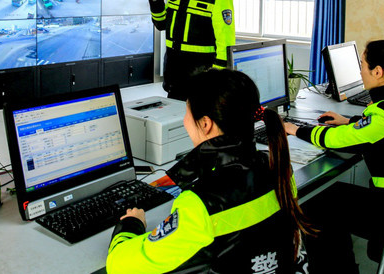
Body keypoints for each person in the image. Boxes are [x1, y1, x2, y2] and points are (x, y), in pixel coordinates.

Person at [107, 69, 310, 273]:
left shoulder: (201, 204)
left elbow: (119, 265)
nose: (185, 120)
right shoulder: (279, 166)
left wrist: (131, 225)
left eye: (186, 113)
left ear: (205, 124)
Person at [284, 40, 384, 272]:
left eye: (362, 64)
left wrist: (294, 129)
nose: (359, 69)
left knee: (315, 206)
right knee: (332, 197)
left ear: (378, 72)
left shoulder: (383, 113)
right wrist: (351, 122)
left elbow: (334, 140)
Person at [149, 0, 235, 100]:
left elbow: (226, 45)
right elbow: (161, 24)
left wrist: (216, 85)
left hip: (201, 87)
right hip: (175, 83)